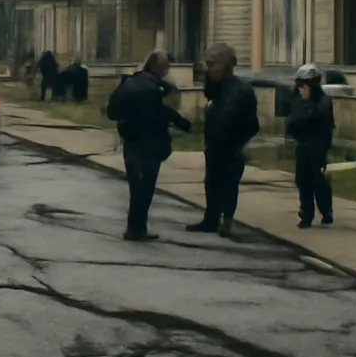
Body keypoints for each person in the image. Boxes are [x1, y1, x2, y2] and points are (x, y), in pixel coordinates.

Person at [107, 49, 192, 241]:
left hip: (131, 141)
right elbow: (162, 113)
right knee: (145, 189)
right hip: (149, 144)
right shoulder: (152, 89)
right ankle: (137, 229)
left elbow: (112, 112)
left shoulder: (129, 83)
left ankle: (135, 228)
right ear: (158, 68)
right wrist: (183, 124)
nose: (167, 72)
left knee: (136, 187)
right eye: (166, 68)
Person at [186, 44, 260, 238]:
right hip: (213, 147)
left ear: (226, 65)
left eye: (212, 64)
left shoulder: (241, 91)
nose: (208, 68)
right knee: (211, 183)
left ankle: (227, 221)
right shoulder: (217, 90)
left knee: (229, 184)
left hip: (231, 148)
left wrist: (237, 143)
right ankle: (210, 219)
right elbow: (209, 94)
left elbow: (252, 124)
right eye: (207, 64)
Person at [285, 63, 335, 229]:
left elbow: (322, 124)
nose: (300, 89)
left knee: (318, 181)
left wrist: (308, 106)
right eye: (299, 85)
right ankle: (306, 213)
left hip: (318, 145)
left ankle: (326, 211)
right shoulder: (297, 99)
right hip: (303, 145)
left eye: (303, 85)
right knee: (302, 180)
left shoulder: (323, 102)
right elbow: (292, 121)